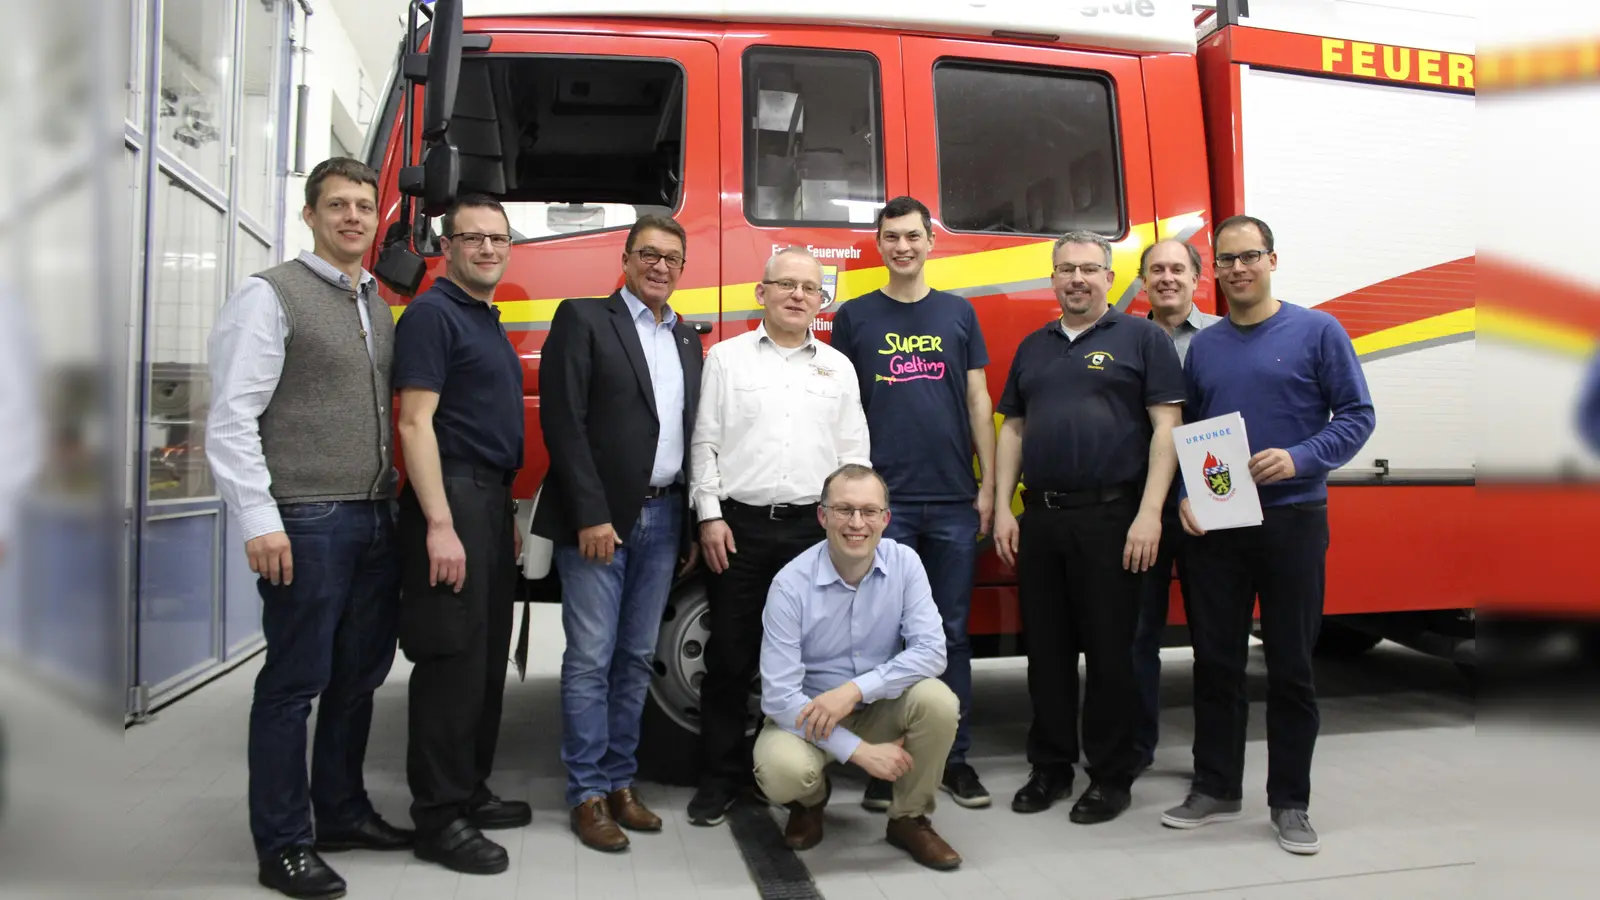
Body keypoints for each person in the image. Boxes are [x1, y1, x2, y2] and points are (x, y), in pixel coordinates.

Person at [206, 157, 409, 899]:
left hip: (373, 517)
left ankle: (343, 812)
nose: (353, 217)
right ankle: (284, 842)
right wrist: (260, 518)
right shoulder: (271, 296)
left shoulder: (378, 306)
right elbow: (231, 418)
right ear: (311, 215)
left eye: (363, 205)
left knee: (360, 678)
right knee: (295, 684)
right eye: (338, 206)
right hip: (307, 519)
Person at [1161, 215, 1375, 855]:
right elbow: (1191, 434)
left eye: (1248, 257)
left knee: (1289, 666)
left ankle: (1290, 802)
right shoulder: (1206, 346)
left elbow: (1358, 416)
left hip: (1293, 519)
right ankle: (1217, 786)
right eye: (1225, 260)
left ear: (1272, 261)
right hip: (1219, 524)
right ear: (1215, 271)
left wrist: (1302, 457)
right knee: (1216, 662)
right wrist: (1184, 498)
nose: (1236, 269)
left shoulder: (1318, 331)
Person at [992, 231, 1185, 824]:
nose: (1077, 278)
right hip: (1043, 519)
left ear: (1109, 276)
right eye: (1066, 269)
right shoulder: (1034, 346)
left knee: (1111, 653)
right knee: (1045, 652)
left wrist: (1149, 512)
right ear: (1052, 278)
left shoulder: (1144, 338)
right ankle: (1050, 767)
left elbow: (1166, 428)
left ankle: (1110, 776)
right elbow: (1013, 430)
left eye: (1089, 269)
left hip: (1114, 518)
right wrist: (1003, 506)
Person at [533, 215, 703, 853]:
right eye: (649, 255)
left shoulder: (687, 339)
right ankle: (586, 794)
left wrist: (687, 520)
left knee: (634, 658)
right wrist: (591, 513)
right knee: (589, 659)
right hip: (601, 521)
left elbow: (688, 435)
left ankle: (620, 780)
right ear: (626, 258)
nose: (660, 267)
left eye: (672, 259)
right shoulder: (583, 319)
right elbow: (564, 422)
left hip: (664, 516)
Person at [685, 247, 871, 826]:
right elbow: (704, 443)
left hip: (812, 534)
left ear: (822, 301)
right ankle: (719, 779)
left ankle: (803, 787)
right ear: (760, 292)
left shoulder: (838, 368)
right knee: (731, 657)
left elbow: (854, 455)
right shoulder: (726, 359)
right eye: (784, 284)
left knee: (814, 662)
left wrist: (849, 526)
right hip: (738, 530)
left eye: (809, 288)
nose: (797, 295)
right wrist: (710, 516)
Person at [830, 196, 996, 809]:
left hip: (953, 499)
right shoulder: (855, 316)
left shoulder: (958, 313)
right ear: (879, 244)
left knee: (949, 633)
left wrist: (989, 485)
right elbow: (842, 408)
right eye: (891, 237)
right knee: (881, 638)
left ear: (932, 242)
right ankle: (886, 762)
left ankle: (954, 759)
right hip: (881, 509)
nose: (903, 246)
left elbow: (980, 402)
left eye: (913, 236)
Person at [392, 194, 529, 875]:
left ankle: (468, 790)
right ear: (447, 247)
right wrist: (441, 524)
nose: (487, 249)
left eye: (498, 239)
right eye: (472, 238)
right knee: (449, 664)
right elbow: (416, 424)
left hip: (486, 505)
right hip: (451, 503)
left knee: (482, 662)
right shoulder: (430, 315)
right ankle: (438, 820)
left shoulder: (484, 319)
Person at [755, 464, 963, 871]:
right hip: (807, 717)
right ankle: (810, 803)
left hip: (877, 707)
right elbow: (779, 696)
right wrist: (861, 754)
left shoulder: (906, 564)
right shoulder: (789, 584)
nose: (856, 523)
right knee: (780, 771)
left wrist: (854, 690)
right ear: (822, 516)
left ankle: (908, 818)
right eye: (844, 510)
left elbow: (933, 651)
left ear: (886, 519)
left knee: (938, 702)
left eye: (869, 511)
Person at [1132, 239, 1220, 773]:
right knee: (1138, 634)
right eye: (1156, 270)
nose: (1167, 278)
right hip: (1142, 508)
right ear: (1142, 281)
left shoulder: (1223, 340)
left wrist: (1200, 495)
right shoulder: (1126, 339)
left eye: (1177, 269)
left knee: (1213, 635)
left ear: (1196, 277)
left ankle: (1212, 758)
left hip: (1208, 505)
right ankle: (1137, 750)